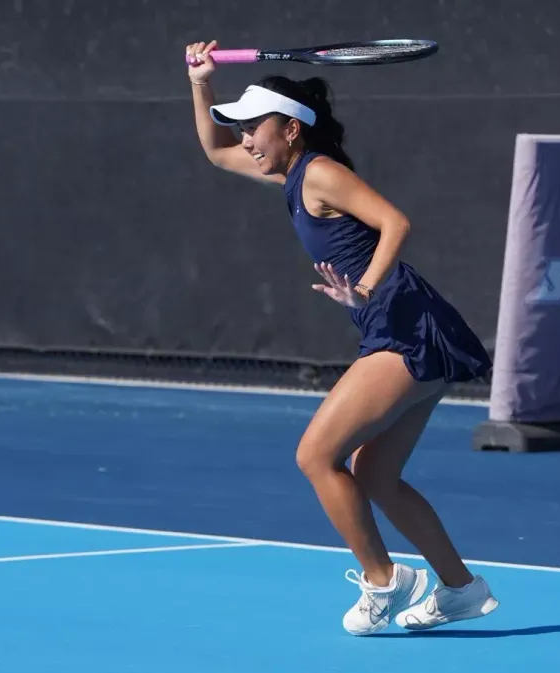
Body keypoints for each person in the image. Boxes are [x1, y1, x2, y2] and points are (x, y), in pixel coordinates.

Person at [185, 40, 499, 636]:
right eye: (243, 128)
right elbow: (216, 152)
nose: (245, 139)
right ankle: (462, 589)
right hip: (408, 327)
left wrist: (365, 289)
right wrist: (202, 84)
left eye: (254, 127)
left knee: (315, 456)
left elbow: (395, 222)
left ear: (291, 129)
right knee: (374, 475)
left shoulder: (321, 173)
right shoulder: (291, 174)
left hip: (404, 327)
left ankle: (384, 579)